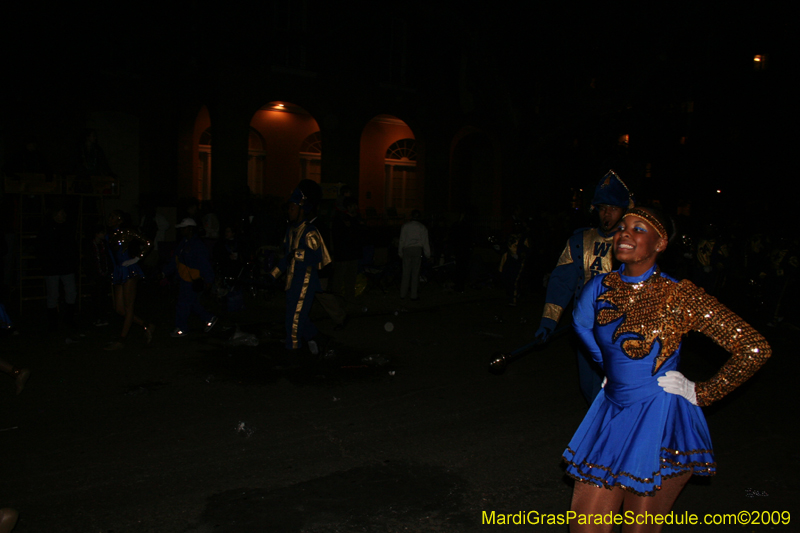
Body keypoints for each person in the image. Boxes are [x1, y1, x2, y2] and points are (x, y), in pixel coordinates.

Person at [563, 207, 771, 533]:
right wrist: (608, 367)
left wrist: (702, 391)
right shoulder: (599, 287)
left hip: (658, 419)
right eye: (621, 227)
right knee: (584, 527)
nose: (624, 234)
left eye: (638, 229)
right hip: (612, 412)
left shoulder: (678, 294)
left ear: (660, 244)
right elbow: (581, 323)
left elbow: (754, 348)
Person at [535, 169, 635, 404]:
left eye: (613, 208)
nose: (606, 214)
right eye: (602, 208)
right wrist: (548, 322)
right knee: (589, 387)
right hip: (586, 327)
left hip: (621, 330)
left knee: (614, 390)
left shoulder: (635, 243)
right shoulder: (580, 241)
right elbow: (562, 282)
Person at [269, 180, 331, 359]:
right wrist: (273, 275)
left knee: (294, 321)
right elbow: (286, 258)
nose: (290, 211)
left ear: (301, 209)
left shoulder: (310, 231)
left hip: (305, 282)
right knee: (296, 316)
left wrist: (297, 255)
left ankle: (292, 352)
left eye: (293, 208)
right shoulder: (291, 231)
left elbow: (316, 257)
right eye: (289, 208)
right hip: (292, 281)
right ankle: (319, 338)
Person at [105, 210, 155, 350]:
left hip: (129, 270)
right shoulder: (109, 235)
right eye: (110, 216)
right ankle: (146, 324)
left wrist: (136, 259)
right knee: (120, 309)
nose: (110, 219)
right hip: (118, 270)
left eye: (113, 217)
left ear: (120, 220)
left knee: (128, 307)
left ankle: (121, 340)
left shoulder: (127, 232)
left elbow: (148, 243)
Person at [163, 218, 217, 337]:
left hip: (193, 280)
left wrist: (208, 280)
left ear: (190, 229)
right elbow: (175, 261)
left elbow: (205, 263)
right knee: (190, 302)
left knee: (183, 303)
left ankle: (182, 328)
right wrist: (164, 272)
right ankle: (209, 318)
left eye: (184, 228)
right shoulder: (183, 243)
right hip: (184, 279)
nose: (181, 230)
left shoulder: (197, 245)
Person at [37, 206, 79, 331]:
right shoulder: (46, 229)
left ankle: (69, 318)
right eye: (60, 214)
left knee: (71, 292)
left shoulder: (68, 228)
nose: (63, 216)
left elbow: (72, 247)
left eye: (64, 214)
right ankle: (53, 321)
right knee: (53, 294)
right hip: (52, 267)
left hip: (66, 266)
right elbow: (42, 248)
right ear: (54, 215)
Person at [398, 210, 430, 301]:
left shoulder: (405, 226)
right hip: (417, 249)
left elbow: (402, 240)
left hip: (407, 249)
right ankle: (413, 295)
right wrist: (428, 254)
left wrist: (400, 252)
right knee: (415, 273)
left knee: (406, 272)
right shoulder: (422, 227)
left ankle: (402, 294)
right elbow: (425, 242)